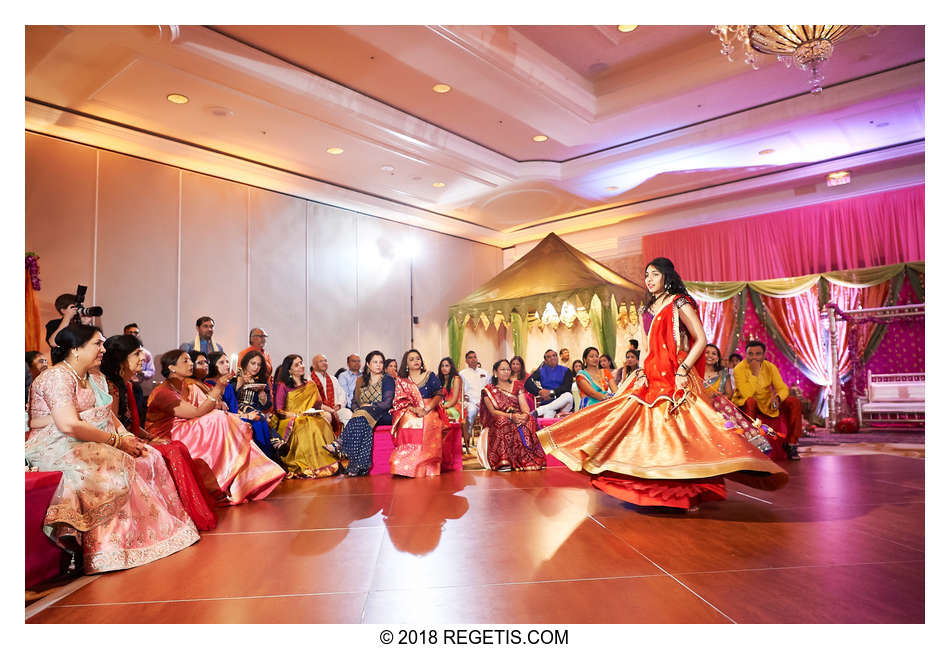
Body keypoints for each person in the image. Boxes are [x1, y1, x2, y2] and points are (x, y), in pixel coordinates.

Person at [538, 257, 788, 511]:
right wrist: (643, 372)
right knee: (640, 429)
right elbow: (646, 348)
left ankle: (686, 491)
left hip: (675, 376)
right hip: (651, 377)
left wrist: (683, 369)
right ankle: (650, 486)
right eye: (646, 275)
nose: (649, 279)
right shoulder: (650, 309)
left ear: (667, 276)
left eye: (654, 274)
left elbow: (700, 338)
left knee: (680, 434)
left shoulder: (679, 301)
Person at [26, 325, 199, 573]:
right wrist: (116, 442)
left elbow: (109, 417)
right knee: (107, 465)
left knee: (150, 457)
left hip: (93, 439)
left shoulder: (94, 377)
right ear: (76, 349)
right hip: (55, 442)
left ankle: (142, 539)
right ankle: (105, 550)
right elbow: (68, 424)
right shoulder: (56, 377)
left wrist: (128, 438)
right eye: (98, 344)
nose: (103, 350)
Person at [102, 335, 217, 531]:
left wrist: (149, 437)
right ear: (122, 358)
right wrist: (142, 441)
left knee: (176, 446)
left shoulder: (127, 384)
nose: (143, 358)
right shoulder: (112, 386)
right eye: (136, 353)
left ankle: (188, 512)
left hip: (135, 436)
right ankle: (179, 515)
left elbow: (130, 423)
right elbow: (113, 425)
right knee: (173, 451)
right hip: (119, 443)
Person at [145, 350, 285, 504]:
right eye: (186, 361)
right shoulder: (164, 392)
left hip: (188, 426)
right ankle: (220, 482)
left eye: (191, 360)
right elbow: (197, 412)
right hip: (167, 433)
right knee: (218, 420)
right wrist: (218, 387)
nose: (191, 364)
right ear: (171, 367)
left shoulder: (188, 385)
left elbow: (212, 407)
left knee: (230, 421)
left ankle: (248, 478)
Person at [324, 351, 395, 477]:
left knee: (362, 415)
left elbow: (387, 403)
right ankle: (357, 467)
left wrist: (369, 407)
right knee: (362, 420)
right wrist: (359, 410)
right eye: (375, 362)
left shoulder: (388, 379)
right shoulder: (361, 380)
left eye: (381, 362)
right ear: (368, 364)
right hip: (363, 415)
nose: (378, 365)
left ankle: (340, 443)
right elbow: (354, 402)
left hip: (383, 415)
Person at [206, 351, 284, 462]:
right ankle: (265, 457)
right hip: (231, 415)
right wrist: (239, 383)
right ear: (245, 364)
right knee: (258, 419)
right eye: (253, 363)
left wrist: (262, 396)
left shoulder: (261, 382)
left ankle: (267, 459)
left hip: (247, 412)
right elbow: (229, 402)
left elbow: (267, 405)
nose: (256, 367)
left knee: (260, 418)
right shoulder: (228, 381)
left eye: (259, 364)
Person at [734, 340, 803, 461]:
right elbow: (747, 393)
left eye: (758, 354)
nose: (754, 357)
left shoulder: (770, 367)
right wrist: (754, 374)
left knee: (794, 402)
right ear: (745, 354)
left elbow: (782, 388)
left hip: (767, 404)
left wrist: (778, 398)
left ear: (764, 354)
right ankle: (752, 444)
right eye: (750, 354)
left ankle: (792, 444)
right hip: (746, 403)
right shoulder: (739, 369)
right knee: (751, 401)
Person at [272, 355, 340, 479]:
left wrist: (330, 410)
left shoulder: (310, 384)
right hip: (290, 419)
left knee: (321, 422)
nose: (301, 366)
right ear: (289, 370)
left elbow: (318, 404)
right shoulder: (283, 386)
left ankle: (327, 460)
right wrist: (295, 415)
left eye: (301, 363)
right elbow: (279, 410)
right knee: (307, 424)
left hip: (310, 415)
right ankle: (308, 464)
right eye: (297, 365)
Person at [477, 359, 546, 472]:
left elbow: (524, 405)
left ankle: (527, 459)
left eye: (508, 369)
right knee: (502, 421)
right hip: (500, 417)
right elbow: (493, 412)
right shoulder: (488, 390)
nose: (506, 372)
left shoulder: (517, 385)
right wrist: (510, 417)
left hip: (517, 415)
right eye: (502, 369)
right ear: (495, 372)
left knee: (530, 421)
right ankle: (503, 461)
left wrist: (525, 414)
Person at [390, 349, 448, 478]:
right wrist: (415, 409)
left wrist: (427, 409)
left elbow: (439, 394)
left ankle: (426, 464)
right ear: (406, 364)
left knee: (429, 421)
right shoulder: (402, 380)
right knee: (408, 421)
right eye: (411, 359)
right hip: (410, 409)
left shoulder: (430, 375)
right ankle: (405, 465)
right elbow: (400, 400)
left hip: (430, 407)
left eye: (418, 358)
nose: (416, 361)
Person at [524, 349, 574, 418]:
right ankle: (547, 415)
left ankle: (540, 410)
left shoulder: (566, 370)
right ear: (545, 360)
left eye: (554, 356)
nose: (552, 358)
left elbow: (566, 388)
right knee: (549, 413)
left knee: (568, 395)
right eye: (549, 357)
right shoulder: (541, 371)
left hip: (564, 402)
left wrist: (551, 392)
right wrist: (539, 391)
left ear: (557, 358)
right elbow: (527, 383)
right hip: (548, 402)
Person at [311, 354, 353, 433]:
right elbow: (314, 401)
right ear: (314, 365)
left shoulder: (333, 379)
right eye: (321, 361)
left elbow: (342, 394)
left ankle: (346, 441)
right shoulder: (310, 381)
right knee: (327, 416)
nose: (324, 363)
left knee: (347, 413)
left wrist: (339, 404)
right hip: (319, 411)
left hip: (335, 409)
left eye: (325, 361)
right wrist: (328, 409)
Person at [458, 350, 489, 451]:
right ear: (466, 360)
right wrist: (474, 401)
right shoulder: (462, 374)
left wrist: (484, 401)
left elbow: (489, 388)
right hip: (470, 402)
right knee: (470, 413)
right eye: (470, 357)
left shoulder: (484, 372)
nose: (473, 359)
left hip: (485, 401)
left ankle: (488, 442)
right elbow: (462, 391)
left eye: (475, 357)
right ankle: (466, 442)